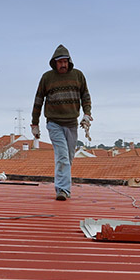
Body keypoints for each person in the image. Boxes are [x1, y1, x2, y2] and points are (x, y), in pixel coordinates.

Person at [31, 44, 93, 200]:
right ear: (54, 63)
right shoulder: (47, 78)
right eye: (60, 62)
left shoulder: (78, 76)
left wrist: (87, 114)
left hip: (72, 123)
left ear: (69, 61)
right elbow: (38, 100)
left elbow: (85, 96)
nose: (63, 64)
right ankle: (63, 190)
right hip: (54, 123)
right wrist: (35, 124)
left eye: (65, 61)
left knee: (69, 157)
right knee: (62, 157)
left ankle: (61, 186)